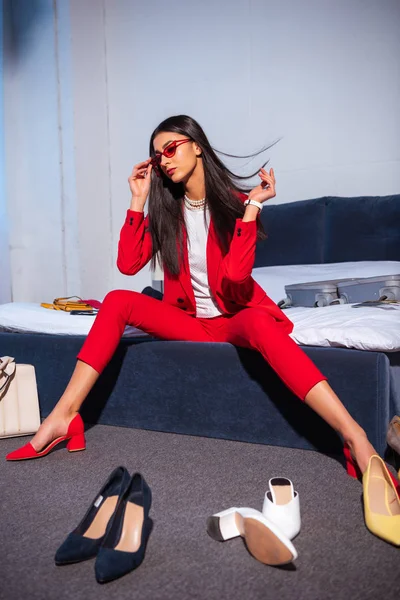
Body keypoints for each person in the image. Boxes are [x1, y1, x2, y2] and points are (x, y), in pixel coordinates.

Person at [6, 114, 377, 475]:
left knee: (263, 327)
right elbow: (128, 264)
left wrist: (253, 207)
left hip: (234, 320)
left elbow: (234, 275)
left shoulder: (236, 203)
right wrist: (138, 199)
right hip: (190, 323)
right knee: (118, 299)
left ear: (196, 146)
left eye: (171, 149)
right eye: (158, 156)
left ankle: (353, 435)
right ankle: (64, 414)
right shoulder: (167, 211)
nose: (164, 161)